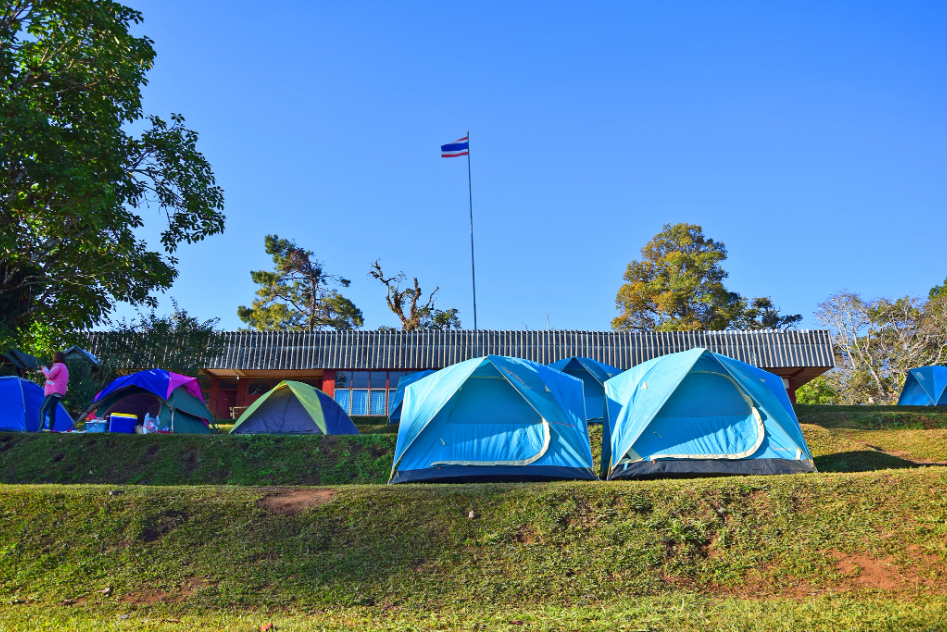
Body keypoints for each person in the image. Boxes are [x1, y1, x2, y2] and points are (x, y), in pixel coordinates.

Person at [39, 352, 69, 431]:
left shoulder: (58, 365)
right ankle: (50, 429)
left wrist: (44, 368)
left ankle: (40, 429)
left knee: (42, 409)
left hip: (53, 391)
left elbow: (49, 375)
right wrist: (44, 373)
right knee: (51, 411)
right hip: (59, 392)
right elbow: (54, 376)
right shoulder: (64, 367)